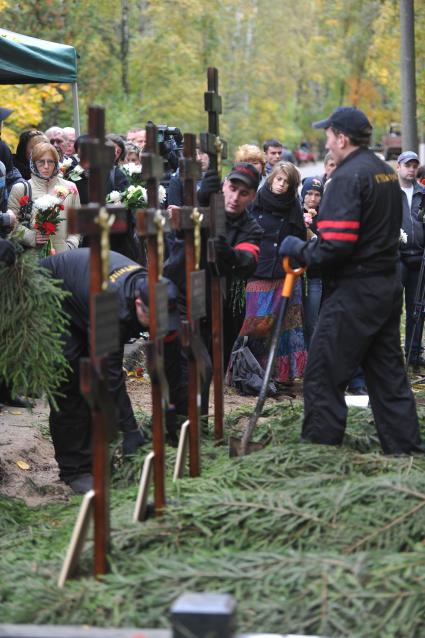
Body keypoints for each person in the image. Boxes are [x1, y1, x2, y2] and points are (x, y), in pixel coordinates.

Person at [279, 106, 424, 455]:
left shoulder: (347, 177)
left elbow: (336, 246)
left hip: (355, 292)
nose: (326, 142)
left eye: (329, 135)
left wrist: (299, 248)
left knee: (322, 374)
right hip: (385, 287)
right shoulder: (384, 172)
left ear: (342, 138)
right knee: (388, 378)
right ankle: (407, 454)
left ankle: (319, 456)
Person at [39, 248, 181, 493]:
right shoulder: (111, 304)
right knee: (71, 380)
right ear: (139, 304)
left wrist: (172, 409)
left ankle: (97, 457)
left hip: (85, 295)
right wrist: (130, 429)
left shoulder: (156, 291)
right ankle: (75, 470)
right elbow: (109, 374)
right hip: (54, 296)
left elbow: (172, 359)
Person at [230, 160, 307, 387]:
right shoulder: (256, 202)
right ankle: (248, 373)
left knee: (284, 328)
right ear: (272, 178)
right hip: (259, 273)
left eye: (287, 182)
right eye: (279, 179)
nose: (281, 185)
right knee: (256, 325)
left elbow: (298, 238)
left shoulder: (293, 206)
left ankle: (281, 376)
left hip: (285, 274)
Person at [8, 142, 80, 253]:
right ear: (33, 163)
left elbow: (77, 223)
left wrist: (71, 245)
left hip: (64, 257)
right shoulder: (21, 188)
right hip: (32, 260)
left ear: (56, 163)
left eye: (50, 162)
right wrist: (31, 237)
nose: (46, 166)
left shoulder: (70, 187)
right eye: (41, 162)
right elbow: (11, 225)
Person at [396, 151, 425, 370]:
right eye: (407, 165)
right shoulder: (389, 193)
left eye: (415, 165)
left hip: (420, 258)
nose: (411, 169)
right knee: (393, 307)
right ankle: (391, 355)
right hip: (396, 258)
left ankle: (414, 353)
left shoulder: (423, 193)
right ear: (399, 167)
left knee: (417, 308)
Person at [300, 176, 323, 349]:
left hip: (315, 276)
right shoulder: (294, 213)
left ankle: (311, 361)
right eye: (309, 193)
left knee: (311, 321)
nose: (312, 199)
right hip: (295, 275)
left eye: (317, 194)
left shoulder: (325, 217)